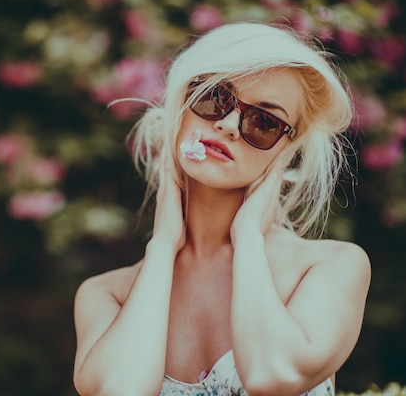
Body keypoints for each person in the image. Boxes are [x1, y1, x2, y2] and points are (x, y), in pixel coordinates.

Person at [72, 22, 371, 396]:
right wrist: (163, 245)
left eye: (264, 121)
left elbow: (271, 375)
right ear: (181, 104)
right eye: (215, 96)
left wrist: (247, 237)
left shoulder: (329, 266)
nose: (229, 125)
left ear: (284, 151)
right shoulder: (107, 293)